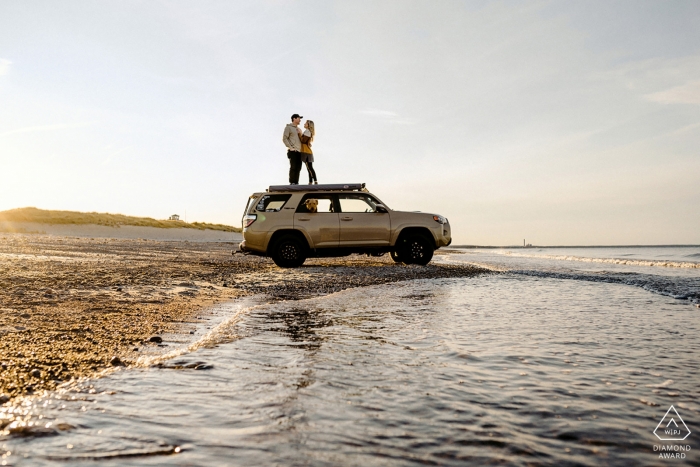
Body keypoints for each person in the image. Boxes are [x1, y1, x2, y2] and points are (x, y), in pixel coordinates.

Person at [282, 114, 303, 184]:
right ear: (294, 119)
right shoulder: (288, 127)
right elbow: (284, 138)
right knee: (293, 167)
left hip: (300, 151)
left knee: (298, 168)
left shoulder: (299, 129)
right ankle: (292, 183)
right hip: (293, 151)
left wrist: (301, 133)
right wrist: (290, 147)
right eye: (299, 118)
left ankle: (296, 183)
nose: (300, 120)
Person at [298, 120, 317, 184]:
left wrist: (299, 133)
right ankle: (311, 181)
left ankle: (315, 180)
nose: (304, 124)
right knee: (309, 167)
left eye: (306, 123)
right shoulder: (307, 131)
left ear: (309, 125)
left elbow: (303, 141)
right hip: (306, 151)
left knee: (309, 167)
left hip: (306, 151)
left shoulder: (307, 131)